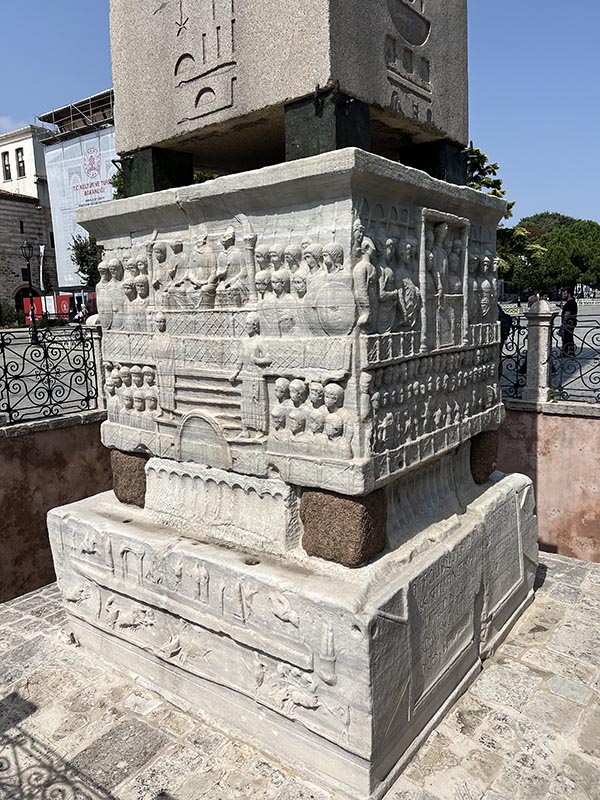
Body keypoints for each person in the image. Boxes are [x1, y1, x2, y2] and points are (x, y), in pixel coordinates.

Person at [561, 289, 578, 357]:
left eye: (565, 293)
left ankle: (567, 352)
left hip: (569, 323)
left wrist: (564, 323)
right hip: (570, 322)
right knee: (568, 337)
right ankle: (569, 351)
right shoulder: (570, 302)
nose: (564, 295)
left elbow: (567, 313)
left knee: (567, 337)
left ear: (569, 294)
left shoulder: (570, 303)